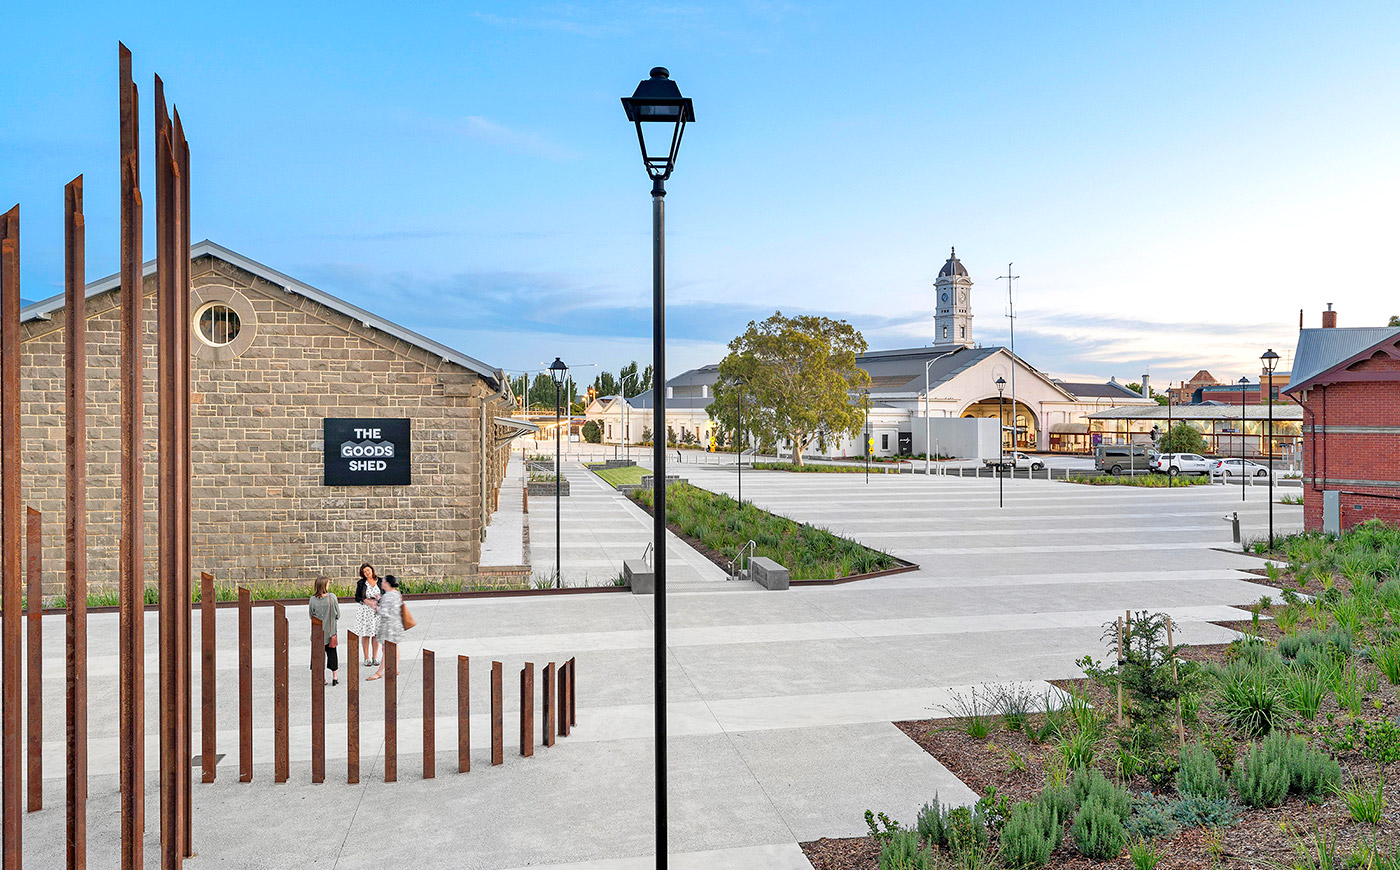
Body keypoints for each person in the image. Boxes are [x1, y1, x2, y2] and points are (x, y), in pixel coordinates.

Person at [368, 574, 403, 681]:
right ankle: (395, 668)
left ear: (387, 583)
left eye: (383, 581)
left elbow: (385, 612)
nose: (381, 583)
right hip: (396, 625)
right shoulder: (396, 594)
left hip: (388, 627)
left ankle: (379, 672)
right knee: (394, 647)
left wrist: (374, 607)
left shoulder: (387, 596)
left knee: (386, 649)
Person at [308, 575, 341, 686]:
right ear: (324, 585)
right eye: (328, 583)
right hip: (330, 632)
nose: (329, 584)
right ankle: (335, 678)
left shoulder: (312, 599)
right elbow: (338, 615)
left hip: (317, 633)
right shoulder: (332, 597)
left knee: (317, 656)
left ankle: (321, 678)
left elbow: (311, 615)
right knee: (332, 654)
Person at [353, 563, 381, 667]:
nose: (367, 573)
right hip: (366, 611)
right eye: (364, 572)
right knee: (366, 634)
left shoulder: (380, 580)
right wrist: (365, 601)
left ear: (372, 570)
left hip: (377, 610)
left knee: (376, 634)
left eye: (368, 570)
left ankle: (375, 657)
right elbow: (357, 597)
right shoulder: (361, 583)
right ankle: (366, 657)